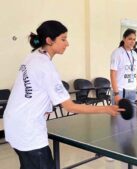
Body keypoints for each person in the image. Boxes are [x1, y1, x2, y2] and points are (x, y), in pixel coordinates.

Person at [3, 20, 123, 169]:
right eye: (63, 39)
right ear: (49, 40)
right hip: (28, 131)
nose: (67, 43)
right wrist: (106, 109)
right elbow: (70, 106)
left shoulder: (33, 56)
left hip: (14, 125)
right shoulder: (45, 66)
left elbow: (33, 89)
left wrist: (45, 106)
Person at [110, 28, 137, 107]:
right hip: (120, 91)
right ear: (124, 39)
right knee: (117, 117)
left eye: (134, 39)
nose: (132, 41)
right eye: (130, 39)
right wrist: (116, 93)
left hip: (132, 90)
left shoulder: (134, 54)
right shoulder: (117, 53)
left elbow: (136, 73)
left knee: (130, 117)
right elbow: (112, 74)